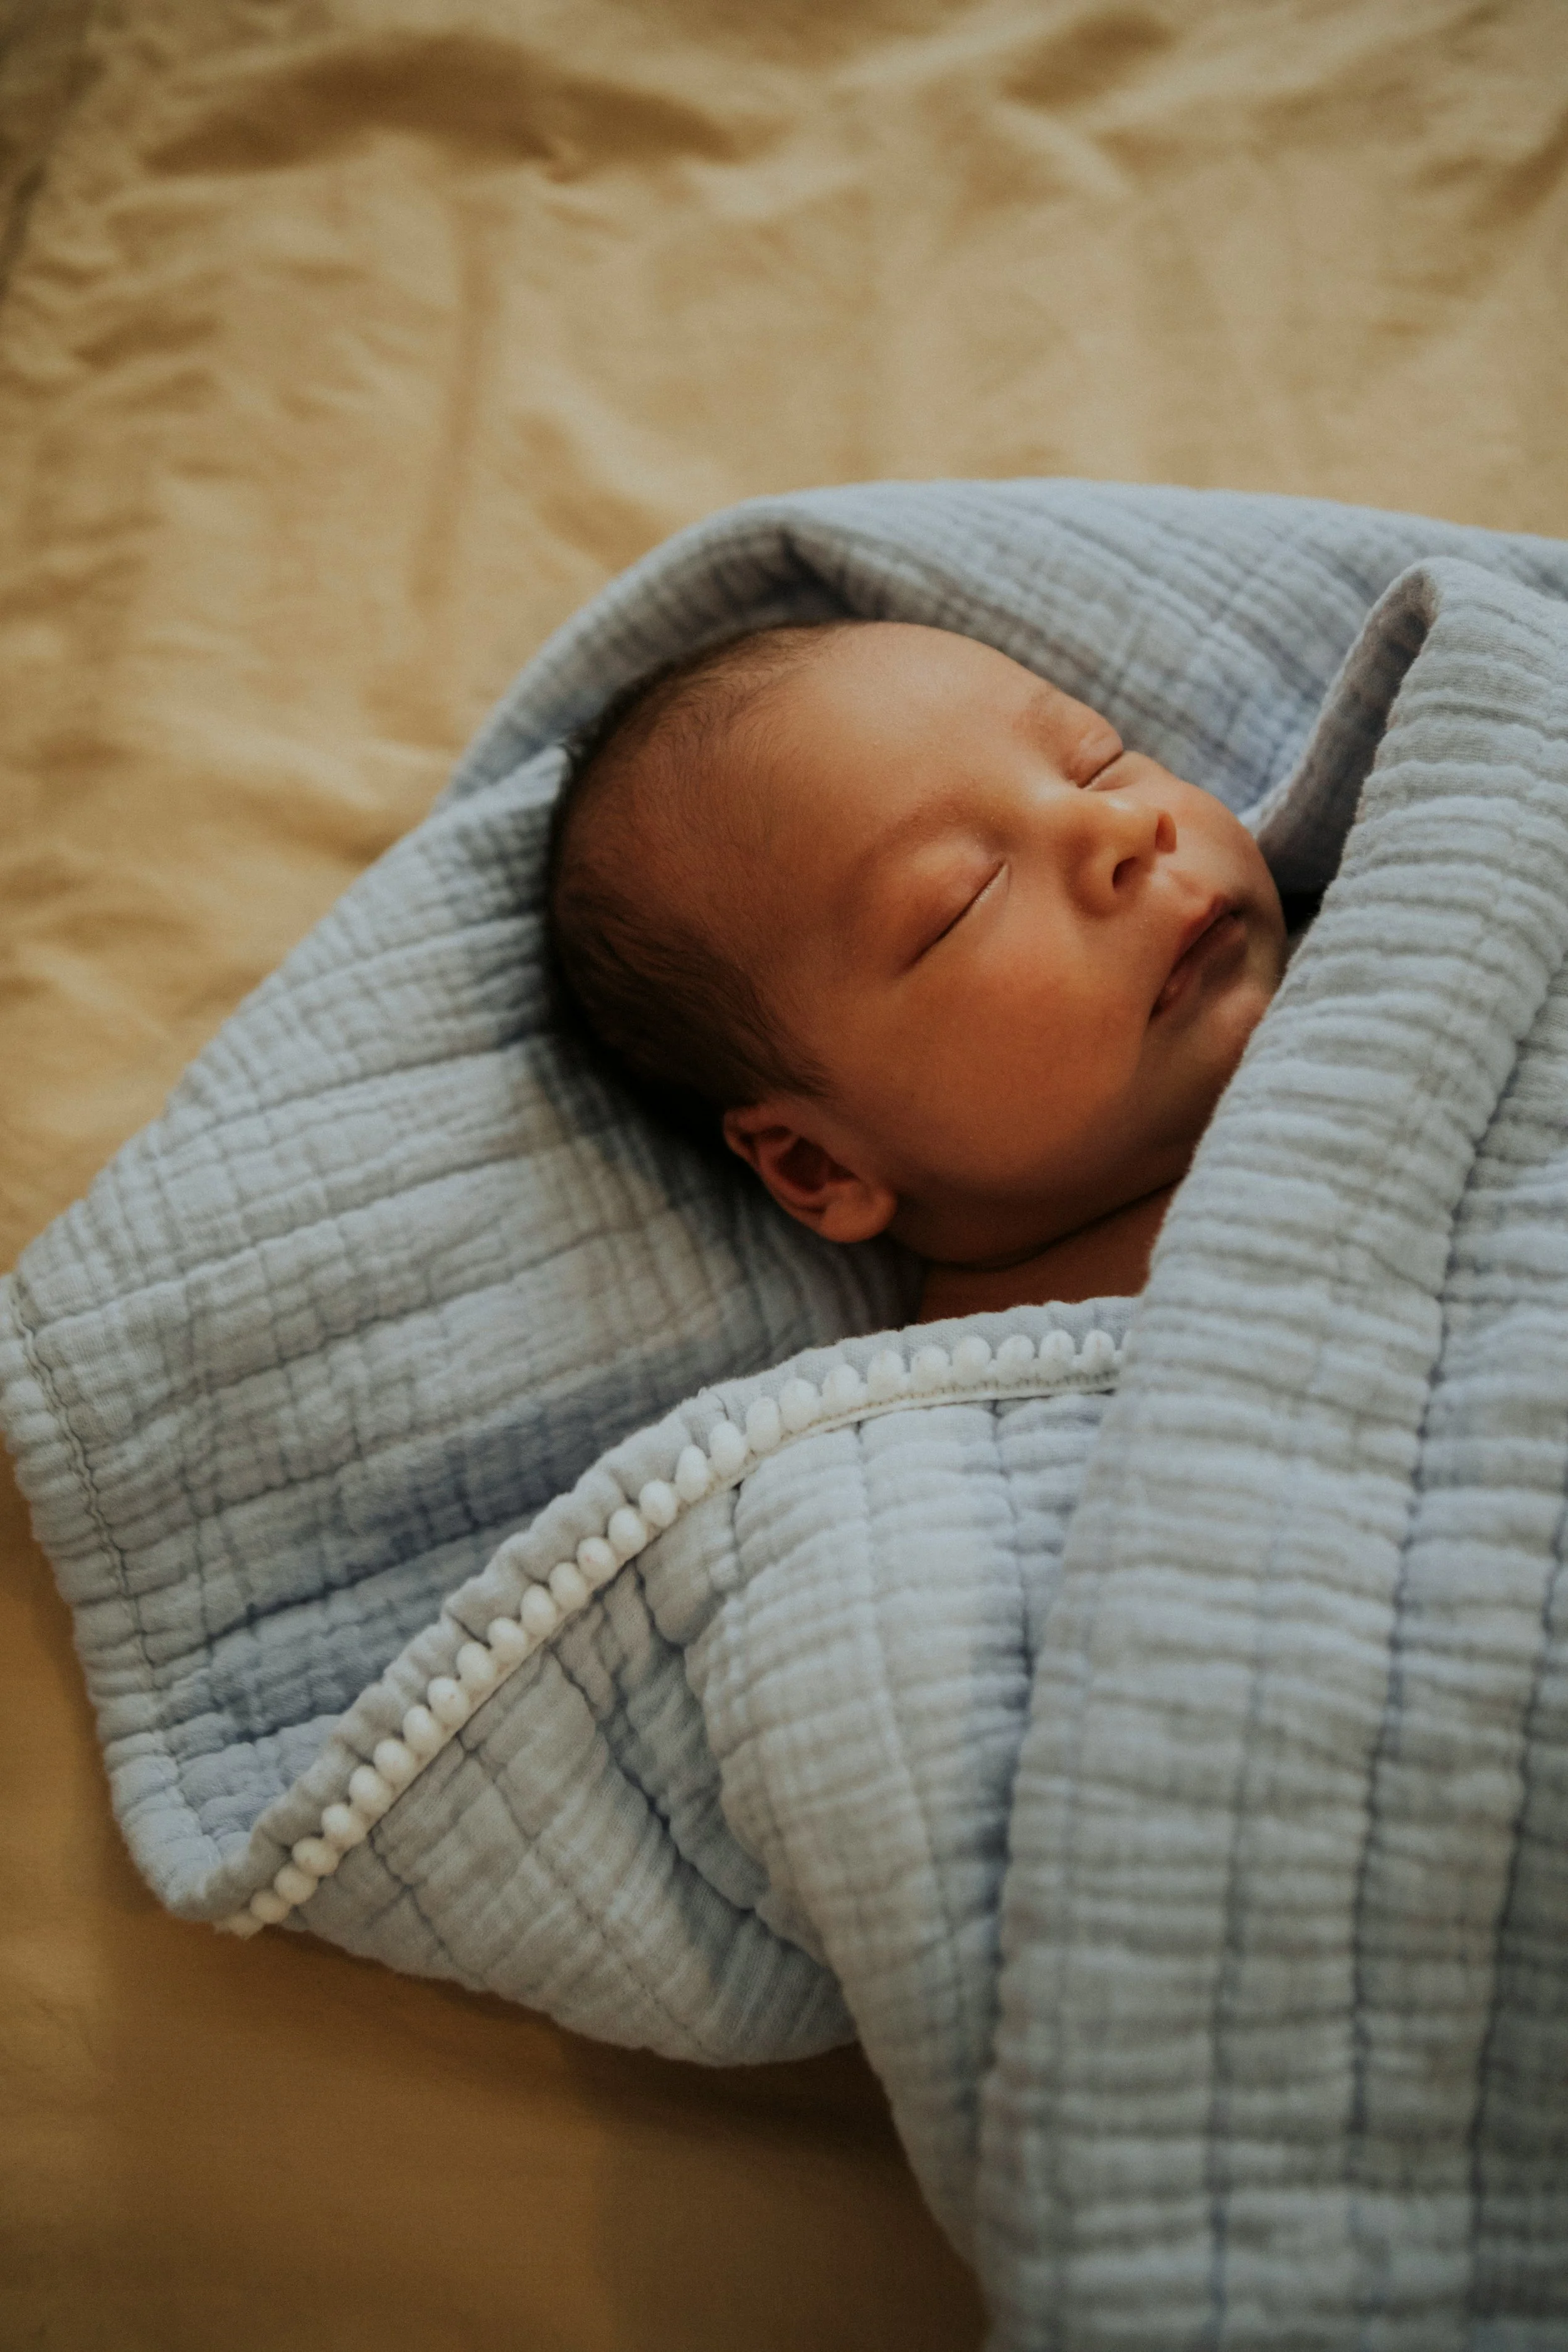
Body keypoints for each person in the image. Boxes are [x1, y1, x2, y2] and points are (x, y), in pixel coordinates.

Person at [546, 620, 1288, 1316]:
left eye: (1099, 765)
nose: (1121, 825)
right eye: (964, 899)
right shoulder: (935, 1432)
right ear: (820, 1165)